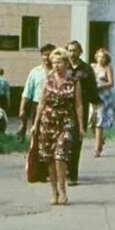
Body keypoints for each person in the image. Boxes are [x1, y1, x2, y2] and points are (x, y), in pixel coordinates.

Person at [33, 47, 84, 205]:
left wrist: (81, 126)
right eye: (54, 62)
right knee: (49, 158)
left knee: (60, 156)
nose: (56, 65)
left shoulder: (74, 81)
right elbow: (41, 104)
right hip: (48, 122)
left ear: (66, 63)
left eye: (60, 62)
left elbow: (78, 105)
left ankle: (63, 190)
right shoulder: (47, 81)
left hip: (66, 121)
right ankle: (53, 191)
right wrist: (35, 123)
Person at [65, 40, 95, 185]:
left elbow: (93, 90)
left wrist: (94, 111)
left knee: (76, 141)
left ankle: (72, 175)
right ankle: (62, 171)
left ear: (80, 52)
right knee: (64, 141)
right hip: (64, 108)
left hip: (81, 107)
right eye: (70, 50)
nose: (72, 53)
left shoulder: (87, 69)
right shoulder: (63, 68)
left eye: (75, 50)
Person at [17, 44, 55, 139]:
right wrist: (22, 109)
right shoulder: (35, 72)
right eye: (44, 54)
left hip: (53, 105)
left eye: (49, 55)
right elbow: (27, 92)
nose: (46, 57)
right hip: (37, 105)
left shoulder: (57, 72)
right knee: (36, 131)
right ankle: (33, 151)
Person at [90, 49, 115, 157]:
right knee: (91, 121)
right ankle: (101, 139)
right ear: (96, 57)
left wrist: (101, 85)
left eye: (104, 57)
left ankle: (97, 149)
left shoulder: (107, 68)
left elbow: (111, 83)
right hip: (92, 96)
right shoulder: (92, 67)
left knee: (99, 121)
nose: (101, 59)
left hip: (103, 96)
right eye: (100, 56)